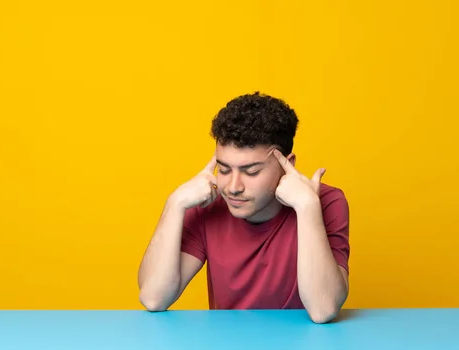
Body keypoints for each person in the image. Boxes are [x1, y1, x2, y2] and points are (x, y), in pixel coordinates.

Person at [137, 91, 350, 323]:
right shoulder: (209, 205)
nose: (233, 187)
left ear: (287, 165)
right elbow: (154, 298)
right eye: (224, 170)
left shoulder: (326, 202)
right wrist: (175, 203)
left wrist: (308, 206)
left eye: (251, 172)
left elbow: (323, 309)